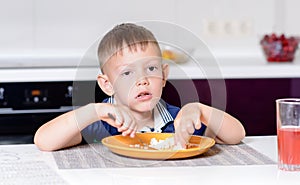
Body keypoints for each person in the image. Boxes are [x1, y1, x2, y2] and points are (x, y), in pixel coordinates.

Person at [34, 23, 245, 151]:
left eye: (151, 68)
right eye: (127, 73)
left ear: (164, 76)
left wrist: (199, 109)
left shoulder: (179, 121)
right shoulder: (100, 124)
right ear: (107, 85)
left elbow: (237, 135)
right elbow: (43, 141)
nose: (142, 80)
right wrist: (94, 110)